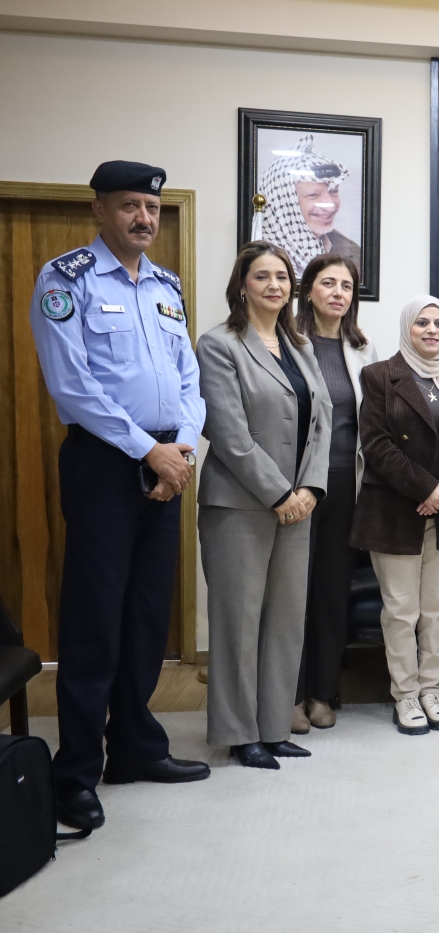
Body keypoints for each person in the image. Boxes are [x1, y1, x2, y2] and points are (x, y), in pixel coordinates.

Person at [29, 161, 210, 830]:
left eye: (153, 208)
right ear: (100, 209)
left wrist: (182, 447)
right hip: (106, 465)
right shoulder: (66, 279)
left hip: (169, 464)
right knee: (94, 621)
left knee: (144, 617)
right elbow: (71, 386)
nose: (144, 218)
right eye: (130, 205)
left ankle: (135, 747)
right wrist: (150, 449)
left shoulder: (167, 285)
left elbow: (189, 377)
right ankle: (75, 771)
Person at [199, 241, 331, 769]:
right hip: (240, 506)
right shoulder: (218, 345)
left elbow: (322, 422)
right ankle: (238, 731)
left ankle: (274, 726)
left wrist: (309, 490)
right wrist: (279, 493)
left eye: (282, 277)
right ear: (242, 285)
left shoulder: (300, 346)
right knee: (238, 620)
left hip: (299, 505)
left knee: (285, 620)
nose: (274, 285)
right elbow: (227, 434)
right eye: (262, 277)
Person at [351, 296, 439, 734]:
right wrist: (424, 487)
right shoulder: (379, 376)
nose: (431, 330)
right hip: (394, 508)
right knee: (401, 610)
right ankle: (405, 696)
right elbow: (376, 444)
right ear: (407, 327)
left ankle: (432, 691)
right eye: (422, 322)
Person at [292, 254, 377, 732]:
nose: (339, 293)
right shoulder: (286, 341)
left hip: (346, 485)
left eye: (347, 286)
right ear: (308, 290)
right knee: (290, 595)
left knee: (329, 593)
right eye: (329, 283)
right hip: (299, 486)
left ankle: (323, 692)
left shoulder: (360, 347)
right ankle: (289, 695)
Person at [257, 134, 361, 276]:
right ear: (286, 203)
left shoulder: (352, 252)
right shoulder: (261, 254)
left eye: (333, 191)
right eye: (313, 195)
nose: (330, 204)